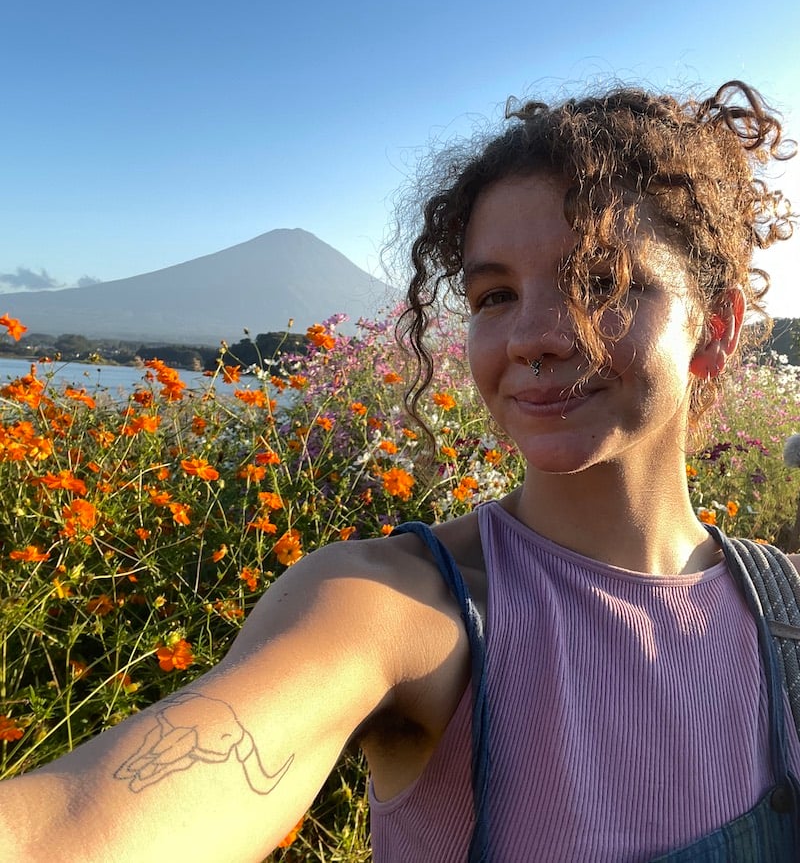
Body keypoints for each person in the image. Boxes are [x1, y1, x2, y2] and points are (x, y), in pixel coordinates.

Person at [1, 79, 798, 862]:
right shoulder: (399, 607)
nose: (532, 336)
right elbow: (69, 831)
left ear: (714, 329)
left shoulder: (785, 614)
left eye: (600, 282)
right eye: (493, 295)